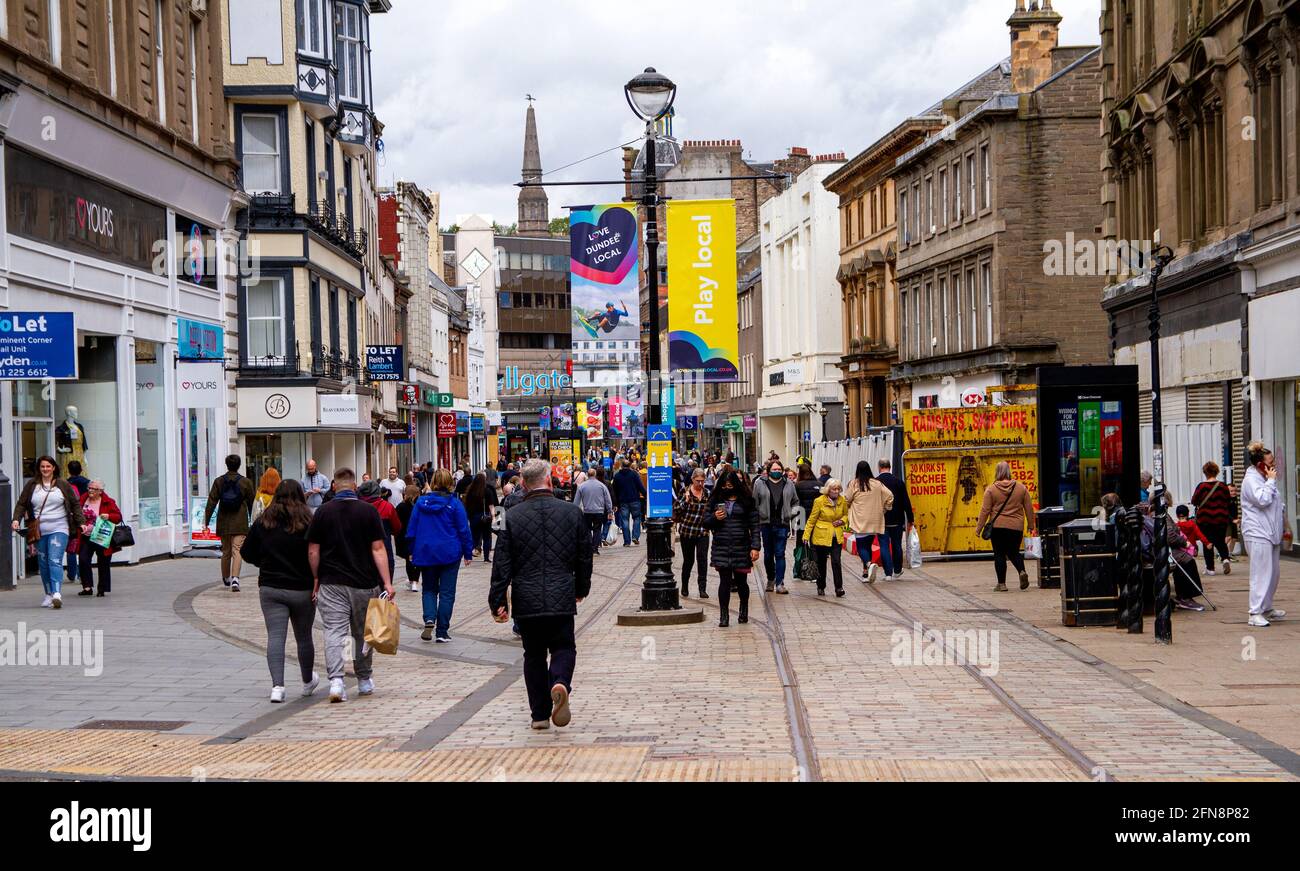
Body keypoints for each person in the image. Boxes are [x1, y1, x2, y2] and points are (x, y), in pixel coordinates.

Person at [489, 460, 593, 730]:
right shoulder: (572, 513)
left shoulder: (508, 516)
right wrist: (581, 588)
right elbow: (584, 557)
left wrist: (497, 601)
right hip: (561, 595)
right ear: (549, 481)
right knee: (564, 646)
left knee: (533, 654)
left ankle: (539, 715)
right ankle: (559, 682)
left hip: (527, 597)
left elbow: (501, 563)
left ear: (522, 485)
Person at [306, 468, 394, 703]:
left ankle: (336, 681)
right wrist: (387, 582)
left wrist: (316, 578)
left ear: (334, 486)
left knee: (335, 632)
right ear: (354, 486)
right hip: (364, 583)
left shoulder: (322, 512)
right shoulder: (368, 511)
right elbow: (378, 549)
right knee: (362, 633)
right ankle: (364, 680)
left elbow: (313, 550)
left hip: (331, 582)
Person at [240, 480, 319, 703]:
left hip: (271, 586)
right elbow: (316, 552)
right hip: (302, 587)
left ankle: (277, 686)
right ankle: (307, 681)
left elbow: (247, 552)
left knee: (275, 637)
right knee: (304, 636)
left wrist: (264, 563)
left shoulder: (263, 521)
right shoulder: (308, 521)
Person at [407, 468, 474, 642]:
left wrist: (412, 551)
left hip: (426, 551)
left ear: (434, 482)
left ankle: (429, 618)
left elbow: (411, 529)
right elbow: (463, 530)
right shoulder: (455, 504)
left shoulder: (421, 503)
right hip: (450, 552)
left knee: (429, 589)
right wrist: (468, 552)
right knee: (447, 592)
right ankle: (442, 631)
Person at [12, 456, 85, 609]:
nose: (45, 469)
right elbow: (22, 503)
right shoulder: (32, 485)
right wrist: (16, 519)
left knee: (54, 559)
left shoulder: (63, 484)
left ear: (54, 468)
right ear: (39, 469)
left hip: (60, 527)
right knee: (43, 563)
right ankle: (48, 594)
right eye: (42, 467)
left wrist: (81, 523)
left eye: (48, 466)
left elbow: (75, 504)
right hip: (39, 530)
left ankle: (57, 593)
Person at [1241, 441, 1291, 628]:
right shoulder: (1251, 480)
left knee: (1273, 573)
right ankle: (1255, 612)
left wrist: (1285, 526)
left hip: (1271, 532)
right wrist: (1270, 481)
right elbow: (1262, 499)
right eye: (1270, 463)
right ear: (1260, 464)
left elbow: (1277, 504)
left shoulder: (1264, 479)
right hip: (1257, 531)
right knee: (1261, 573)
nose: (1274, 466)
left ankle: (1266, 606)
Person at [705, 468, 761, 628]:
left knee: (742, 582)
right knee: (724, 581)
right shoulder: (715, 499)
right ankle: (724, 615)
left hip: (741, 545)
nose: (727, 488)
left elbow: (754, 525)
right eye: (724, 485)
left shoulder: (746, 500)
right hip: (721, 545)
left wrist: (755, 546)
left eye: (730, 485)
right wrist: (715, 518)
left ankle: (743, 609)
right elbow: (705, 522)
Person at [974, 461, 1036, 593]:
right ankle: (1022, 571)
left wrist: (979, 529)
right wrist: (1031, 525)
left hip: (998, 527)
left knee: (999, 554)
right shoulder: (1021, 488)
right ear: (1009, 471)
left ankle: (1001, 584)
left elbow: (985, 511)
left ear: (997, 472)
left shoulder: (991, 489)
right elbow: (1029, 508)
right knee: (1014, 552)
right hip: (1016, 527)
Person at [202, 454, 255, 593]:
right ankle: (235, 579)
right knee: (237, 550)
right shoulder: (246, 482)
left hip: (224, 521)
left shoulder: (219, 481)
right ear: (239, 465)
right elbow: (252, 504)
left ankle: (226, 578)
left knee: (226, 551)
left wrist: (205, 521)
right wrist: (254, 520)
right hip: (240, 522)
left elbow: (211, 502)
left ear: (227, 465)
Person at [753, 460, 798, 594]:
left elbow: (796, 501)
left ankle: (780, 583)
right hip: (766, 524)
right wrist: (757, 517)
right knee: (768, 555)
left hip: (782, 524)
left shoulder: (789, 484)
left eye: (779, 469)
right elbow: (754, 502)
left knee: (780, 554)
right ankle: (770, 579)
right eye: (774, 469)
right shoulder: (760, 483)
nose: (777, 471)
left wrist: (791, 513)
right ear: (769, 470)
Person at [75, 480, 122, 597]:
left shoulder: (108, 501)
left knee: (103, 562)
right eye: (89, 488)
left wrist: (109, 516)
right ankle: (87, 587)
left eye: (94, 489)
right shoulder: (82, 499)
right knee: (83, 559)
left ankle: (102, 589)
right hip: (86, 536)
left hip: (102, 537)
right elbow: (76, 513)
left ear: (100, 491)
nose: (90, 490)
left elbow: (118, 517)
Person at [804, 479, 848, 597]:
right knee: (821, 563)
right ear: (828, 489)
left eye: (838, 489)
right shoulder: (819, 501)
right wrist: (806, 535)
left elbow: (846, 515)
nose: (836, 491)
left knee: (836, 561)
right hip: (821, 535)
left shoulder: (842, 500)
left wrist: (841, 521)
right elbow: (812, 519)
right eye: (834, 489)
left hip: (836, 536)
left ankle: (839, 588)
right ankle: (821, 586)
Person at [674, 468, 712, 598]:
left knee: (702, 560)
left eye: (702, 481)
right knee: (688, 560)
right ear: (692, 480)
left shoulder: (707, 493)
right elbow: (677, 509)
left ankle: (702, 588)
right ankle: (685, 586)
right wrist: (686, 500)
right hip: (688, 531)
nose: (700, 484)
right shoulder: (684, 492)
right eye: (698, 481)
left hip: (703, 532)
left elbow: (710, 511)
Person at [1191, 462, 1234, 576]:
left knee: (1208, 542)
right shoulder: (1223, 486)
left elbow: (1194, 501)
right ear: (1217, 472)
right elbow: (1228, 501)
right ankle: (1225, 558)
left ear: (1205, 473)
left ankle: (1210, 568)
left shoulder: (1201, 486)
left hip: (1205, 519)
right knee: (1220, 540)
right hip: (1221, 518)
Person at [876, 459, 915, 575]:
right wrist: (910, 519)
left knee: (884, 545)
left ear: (879, 467)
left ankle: (888, 573)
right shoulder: (899, 482)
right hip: (897, 519)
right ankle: (897, 570)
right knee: (897, 544)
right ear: (890, 466)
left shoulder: (875, 483)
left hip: (881, 519)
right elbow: (906, 502)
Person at [358, 480, 402, 582]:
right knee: (384, 588)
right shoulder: (387, 506)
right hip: (384, 548)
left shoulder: (357, 507)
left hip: (361, 550)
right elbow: (397, 528)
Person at [1173, 505, 1210, 612]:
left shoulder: (1177, 525)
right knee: (1188, 566)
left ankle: (1181, 595)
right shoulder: (1192, 525)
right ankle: (1185, 596)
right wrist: (1207, 543)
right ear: (1188, 514)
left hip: (1180, 550)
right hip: (1190, 550)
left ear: (1176, 515)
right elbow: (1200, 534)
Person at [575, 471, 614, 558]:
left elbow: (576, 501)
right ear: (595, 475)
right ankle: (595, 549)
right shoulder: (601, 485)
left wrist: (575, 512)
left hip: (587, 511)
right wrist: (609, 511)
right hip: (599, 511)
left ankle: (589, 547)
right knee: (597, 529)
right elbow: (608, 499)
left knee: (587, 530)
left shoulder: (582, 486)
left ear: (587, 475)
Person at [462, 473, 498, 562]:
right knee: (487, 537)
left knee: (474, 536)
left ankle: (470, 553)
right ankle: (486, 558)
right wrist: (493, 517)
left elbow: (466, 504)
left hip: (473, 516)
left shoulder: (470, 490)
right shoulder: (487, 490)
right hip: (485, 517)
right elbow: (491, 505)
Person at [395, 484, 423, 592]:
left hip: (404, 536)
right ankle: (415, 581)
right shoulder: (419, 506)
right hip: (417, 535)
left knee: (408, 559)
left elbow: (397, 522)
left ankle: (412, 581)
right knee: (416, 558)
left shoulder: (401, 507)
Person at [613, 459, 646, 546]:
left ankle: (627, 541)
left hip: (623, 501)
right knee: (637, 518)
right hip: (635, 499)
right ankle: (635, 536)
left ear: (622, 466)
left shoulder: (617, 476)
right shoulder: (634, 474)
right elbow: (640, 486)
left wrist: (615, 503)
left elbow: (614, 490)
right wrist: (646, 496)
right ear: (629, 465)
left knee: (625, 520)